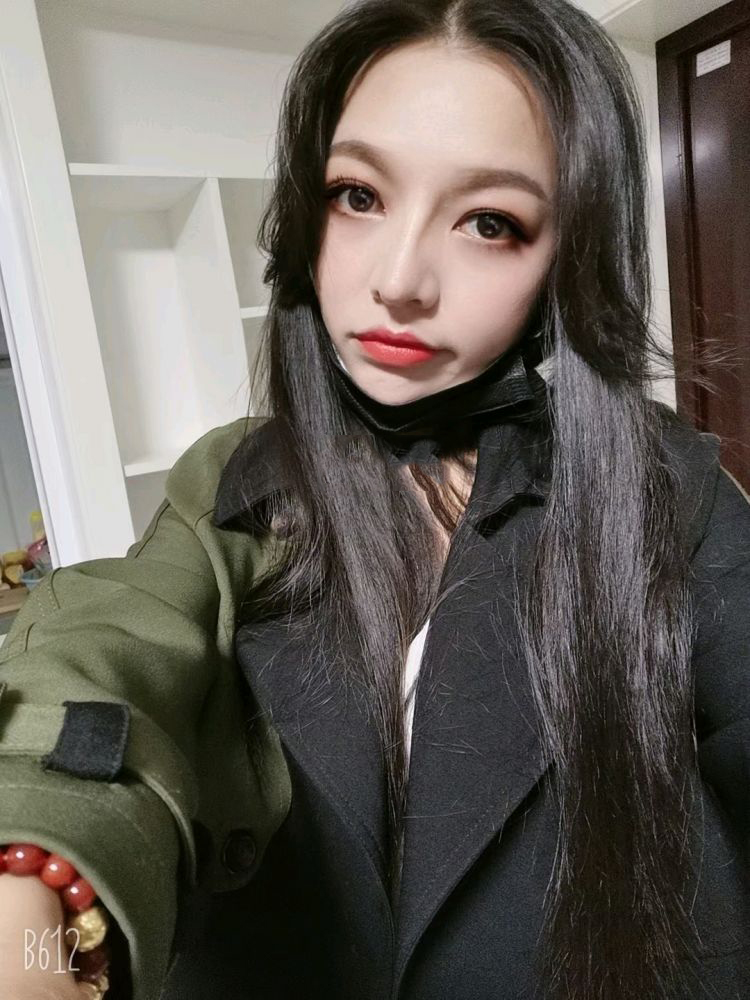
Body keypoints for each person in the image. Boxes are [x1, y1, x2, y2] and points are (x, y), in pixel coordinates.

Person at [1, 0, 748, 998]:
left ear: (566, 258)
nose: (398, 281)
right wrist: (35, 897)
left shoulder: (662, 483)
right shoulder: (238, 475)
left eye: (490, 222)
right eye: (357, 195)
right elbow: (106, 641)